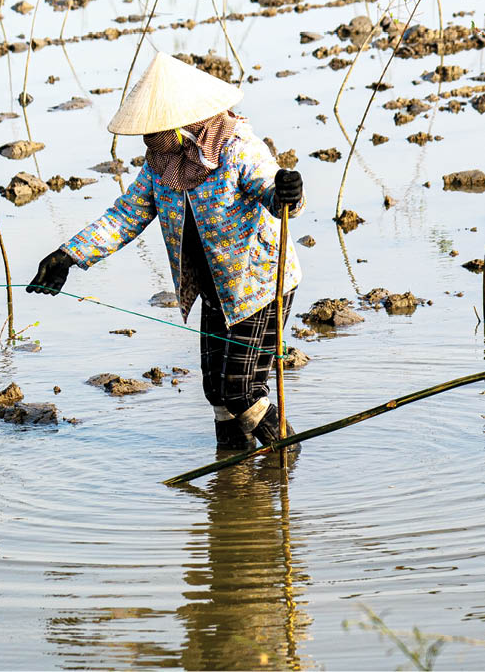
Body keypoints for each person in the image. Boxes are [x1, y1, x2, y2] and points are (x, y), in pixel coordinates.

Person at [27, 52, 305, 451]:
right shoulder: (160, 165)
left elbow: (272, 192)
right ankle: (232, 480)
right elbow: (125, 216)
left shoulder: (235, 146)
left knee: (241, 389)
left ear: (184, 118)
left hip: (258, 286)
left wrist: (288, 193)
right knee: (216, 394)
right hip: (214, 291)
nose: (150, 135)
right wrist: (68, 256)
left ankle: (286, 458)